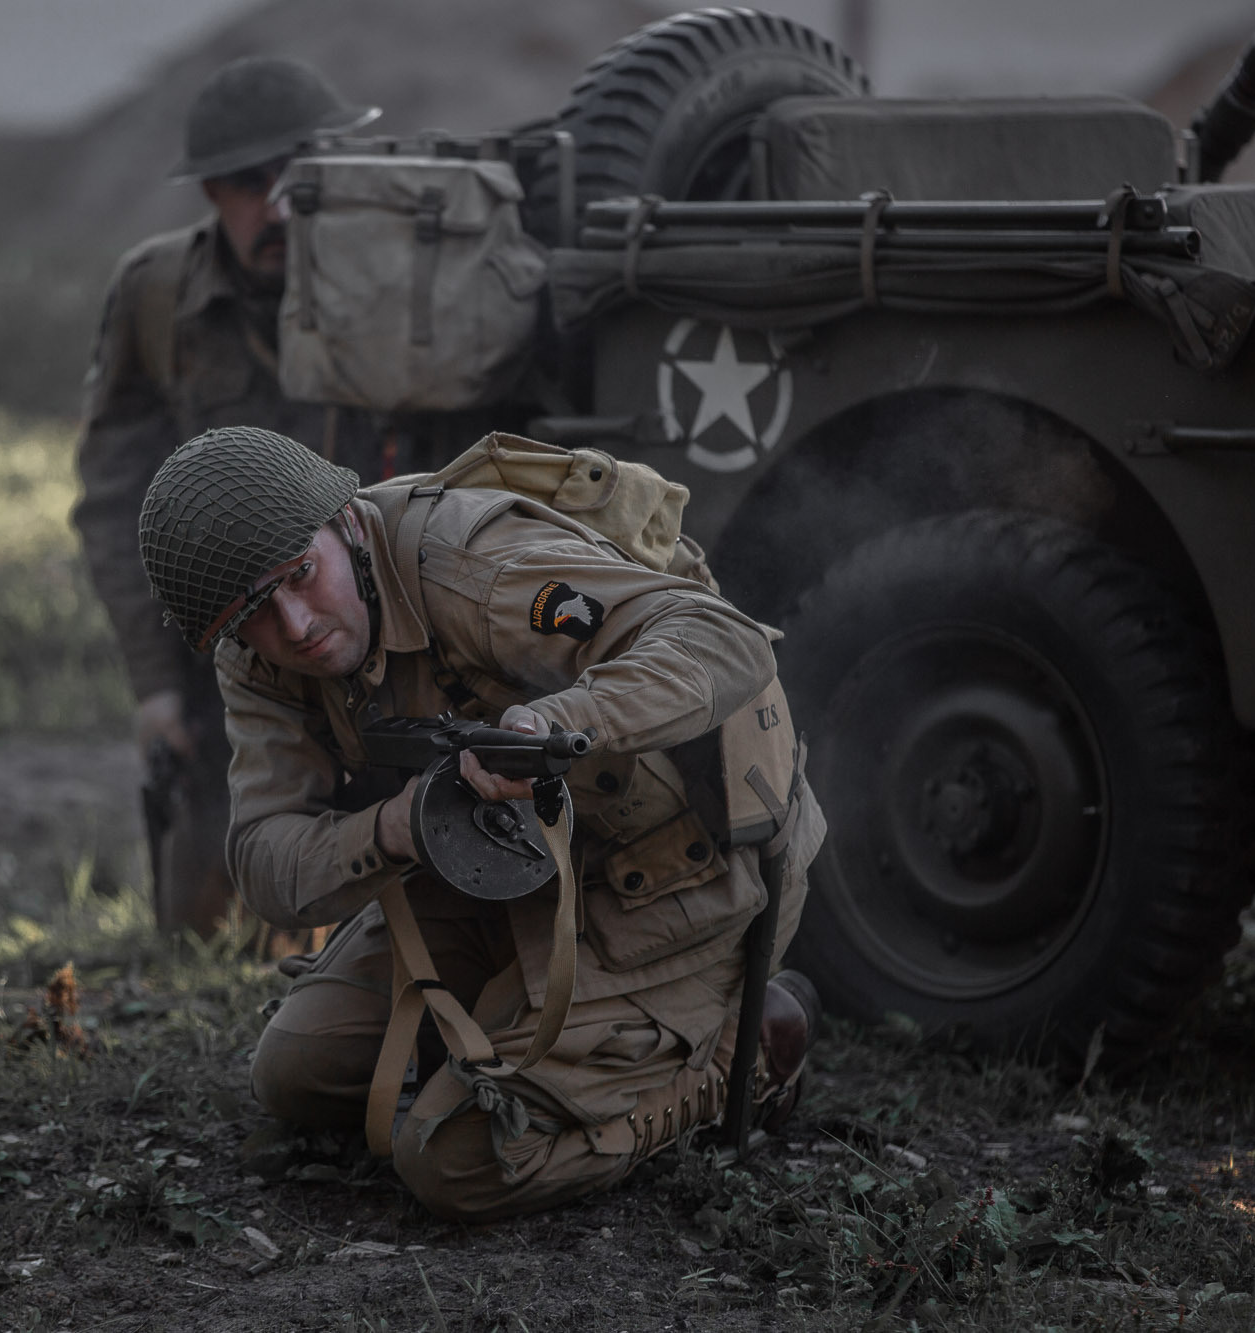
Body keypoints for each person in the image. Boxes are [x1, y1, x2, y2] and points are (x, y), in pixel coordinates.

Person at [137, 426, 828, 1223]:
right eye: (252, 612)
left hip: (676, 879)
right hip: (497, 868)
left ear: (349, 525)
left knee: (459, 1158)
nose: (293, 626)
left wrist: (558, 724)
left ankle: (748, 1052)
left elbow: (725, 639)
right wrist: (396, 827)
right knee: (297, 1072)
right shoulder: (258, 658)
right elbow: (264, 859)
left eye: (300, 575)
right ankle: (515, 1027)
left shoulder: (473, 563)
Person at [72, 56, 404, 934]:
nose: (280, 206)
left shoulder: (400, 292)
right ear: (211, 190)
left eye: (302, 174)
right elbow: (114, 496)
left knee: (391, 912)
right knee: (201, 925)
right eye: (250, 183)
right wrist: (154, 690)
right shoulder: (155, 296)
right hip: (229, 655)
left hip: (383, 641)